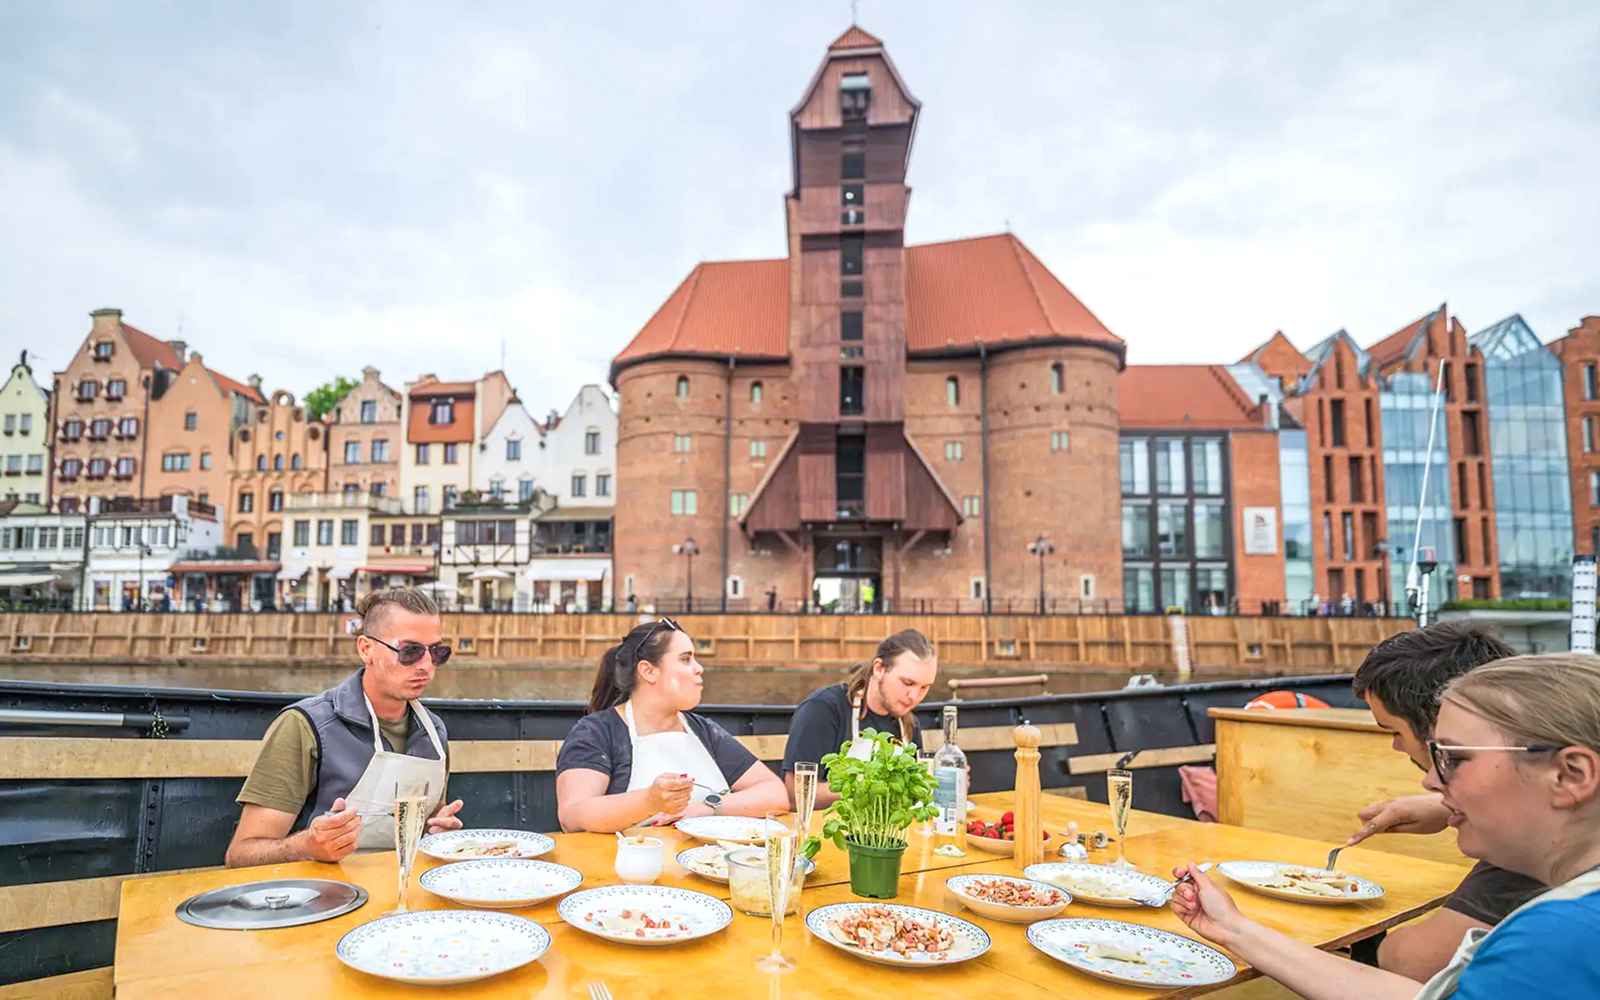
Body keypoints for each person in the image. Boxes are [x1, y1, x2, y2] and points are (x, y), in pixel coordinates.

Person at [1169, 653, 1600, 999]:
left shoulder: (1557, 940)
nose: (1432, 780)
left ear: (1572, 776)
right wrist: (1233, 928)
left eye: (1455, 758)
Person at [1344, 621, 1541, 981]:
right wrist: (1445, 807)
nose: (1429, 780)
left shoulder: (1535, 832)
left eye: (1395, 731)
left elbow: (1410, 963)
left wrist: (1362, 943)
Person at [225, 588, 465, 867]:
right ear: (366, 649)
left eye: (437, 652)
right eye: (410, 652)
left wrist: (435, 833)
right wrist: (307, 845)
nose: (426, 666)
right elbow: (240, 855)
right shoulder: (305, 726)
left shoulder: (434, 731)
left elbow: (428, 824)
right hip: (316, 898)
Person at [556, 618, 788, 832]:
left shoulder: (703, 730)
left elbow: (775, 793)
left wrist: (706, 809)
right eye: (685, 659)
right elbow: (572, 815)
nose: (699, 668)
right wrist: (650, 801)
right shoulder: (597, 731)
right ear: (648, 671)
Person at [781, 629, 938, 810]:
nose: (914, 696)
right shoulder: (824, 709)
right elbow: (796, 793)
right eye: (907, 683)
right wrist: (869, 788)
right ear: (879, 668)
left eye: (924, 687)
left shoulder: (909, 725)